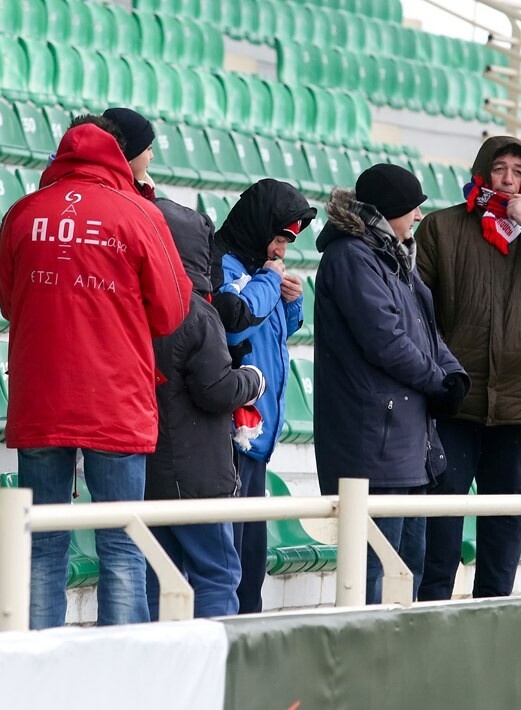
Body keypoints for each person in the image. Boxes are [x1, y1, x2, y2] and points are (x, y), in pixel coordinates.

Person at [0, 114, 192, 629]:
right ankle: (120, 686)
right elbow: (172, 310)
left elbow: (10, 301)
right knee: (123, 546)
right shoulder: (139, 215)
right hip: (115, 399)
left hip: (41, 395)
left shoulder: (23, 212)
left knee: (40, 544)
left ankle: (35, 677)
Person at [415, 135, 521, 601]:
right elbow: (418, 307)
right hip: (457, 396)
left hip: (520, 398)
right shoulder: (442, 227)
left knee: (506, 513)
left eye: (517, 170)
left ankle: (493, 607)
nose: (508, 178)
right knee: (443, 510)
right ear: (482, 170)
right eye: (500, 169)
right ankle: (431, 607)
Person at [313, 164, 468, 605]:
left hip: (406, 444)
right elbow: (386, 341)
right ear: (391, 210)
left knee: (408, 571)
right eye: (413, 208)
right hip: (373, 443)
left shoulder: (393, 255)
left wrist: (454, 375)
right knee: (373, 574)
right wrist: (439, 383)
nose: (419, 216)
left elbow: (427, 330)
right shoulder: (351, 258)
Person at [143, 192, 266, 620]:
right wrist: (254, 380)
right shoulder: (195, 311)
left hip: (151, 469)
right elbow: (215, 388)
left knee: (161, 577)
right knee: (217, 575)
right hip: (197, 473)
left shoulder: (133, 304)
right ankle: (217, 677)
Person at [212, 178, 317, 614]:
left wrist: (289, 304)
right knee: (229, 570)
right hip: (228, 436)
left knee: (251, 573)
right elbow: (234, 325)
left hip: (256, 440)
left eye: (287, 243)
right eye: (277, 239)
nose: (281, 252)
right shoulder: (221, 265)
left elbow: (271, 338)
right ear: (258, 228)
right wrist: (270, 284)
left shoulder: (257, 271)